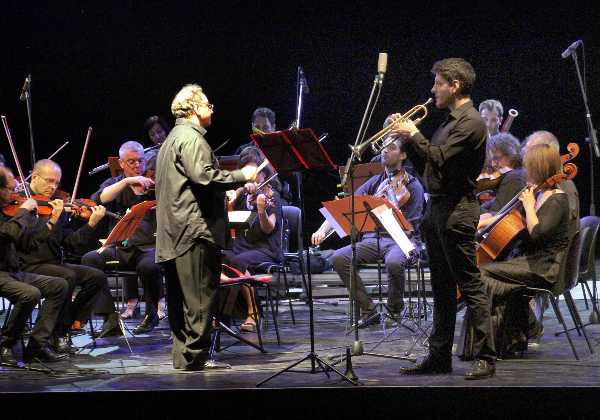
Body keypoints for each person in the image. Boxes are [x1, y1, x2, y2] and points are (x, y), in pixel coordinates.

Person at [392, 57, 496, 379]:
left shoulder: (471, 122)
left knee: (469, 284)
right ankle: (439, 357)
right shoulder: (447, 122)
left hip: (457, 210)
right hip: (436, 210)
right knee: (440, 288)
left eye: (438, 83)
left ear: (455, 85)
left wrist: (413, 134)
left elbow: (438, 157)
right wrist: (406, 139)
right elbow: (431, 166)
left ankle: (486, 357)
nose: (432, 89)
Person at [155, 84, 257, 371]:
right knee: (200, 298)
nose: (212, 109)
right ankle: (196, 357)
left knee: (179, 299)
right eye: (208, 105)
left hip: (174, 232)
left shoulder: (173, 138)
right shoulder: (191, 138)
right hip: (194, 231)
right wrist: (241, 174)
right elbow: (204, 176)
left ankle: (184, 356)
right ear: (194, 108)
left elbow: (191, 183)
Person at [312, 137, 424, 326]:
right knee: (339, 257)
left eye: (391, 148)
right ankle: (368, 310)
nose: (384, 151)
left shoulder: (413, 185)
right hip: (373, 239)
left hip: (401, 240)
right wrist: (322, 229)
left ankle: (395, 309)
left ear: (403, 155)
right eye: (384, 147)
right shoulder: (375, 182)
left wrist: (389, 210)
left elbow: (411, 227)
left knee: (394, 262)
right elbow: (346, 206)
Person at [478, 143, 574, 355]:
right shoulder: (539, 193)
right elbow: (513, 219)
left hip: (544, 268)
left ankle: (496, 342)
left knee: (483, 272)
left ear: (539, 168)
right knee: (492, 270)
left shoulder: (557, 198)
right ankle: (513, 338)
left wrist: (530, 206)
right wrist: (486, 222)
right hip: (533, 262)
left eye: (530, 167)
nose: (526, 172)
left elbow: (536, 232)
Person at [15, 159, 111, 353]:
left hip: (53, 263)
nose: (53, 187)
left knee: (96, 277)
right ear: (34, 177)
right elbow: (27, 242)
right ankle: (53, 336)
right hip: (27, 264)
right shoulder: (21, 204)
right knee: (66, 276)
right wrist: (51, 220)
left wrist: (90, 225)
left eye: (56, 183)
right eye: (49, 181)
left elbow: (70, 244)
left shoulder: (56, 205)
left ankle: (67, 326)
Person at [81, 141, 164, 335]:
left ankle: (151, 314)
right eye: (131, 161)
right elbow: (99, 198)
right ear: (121, 163)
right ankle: (109, 318)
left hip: (148, 248)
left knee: (150, 265)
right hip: (120, 248)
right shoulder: (115, 183)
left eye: (141, 161)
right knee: (90, 259)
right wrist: (126, 182)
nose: (137, 166)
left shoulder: (154, 183)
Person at [0, 166, 69, 363]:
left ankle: (37, 345)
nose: (13, 193)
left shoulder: (9, 209)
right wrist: (22, 211)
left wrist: (51, 222)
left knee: (59, 285)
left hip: (12, 271)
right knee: (30, 293)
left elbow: (28, 244)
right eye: (9, 188)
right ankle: (6, 344)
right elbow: (7, 233)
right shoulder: (14, 211)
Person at [223, 146, 283, 332]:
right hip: (242, 246)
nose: (253, 178)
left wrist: (261, 210)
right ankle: (224, 313)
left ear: (265, 173)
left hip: (265, 248)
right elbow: (229, 222)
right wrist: (238, 193)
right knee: (218, 257)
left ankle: (253, 311)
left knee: (238, 261)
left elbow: (268, 228)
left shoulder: (272, 196)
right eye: (247, 173)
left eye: (256, 173)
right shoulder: (241, 197)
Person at [478, 133, 526, 230]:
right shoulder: (516, 174)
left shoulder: (514, 177)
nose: (493, 164)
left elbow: (495, 215)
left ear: (511, 153)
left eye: (497, 158)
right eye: (491, 160)